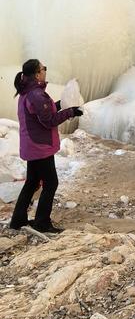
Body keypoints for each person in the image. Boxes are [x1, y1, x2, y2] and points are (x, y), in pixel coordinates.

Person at [9, 59, 83, 235]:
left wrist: (61, 105)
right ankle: (42, 222)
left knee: (32, 182)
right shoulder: (36, 94)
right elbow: (49, 120)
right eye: (43, 69)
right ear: (37, 73)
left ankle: (18, 220)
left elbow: (42, 112)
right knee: (51, 183)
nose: (45, 71)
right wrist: (70, 112)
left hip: (32, 145)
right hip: (40, 146)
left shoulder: (28, 91)